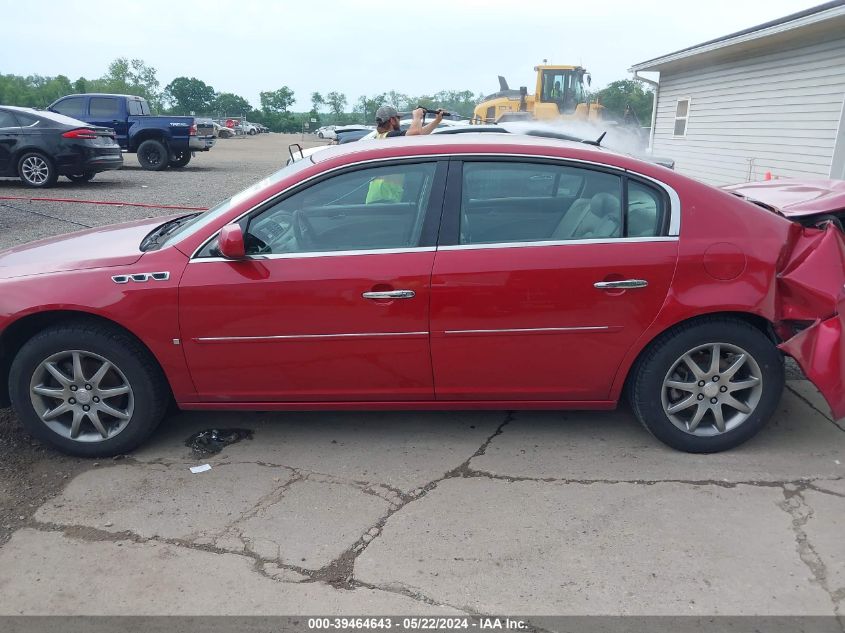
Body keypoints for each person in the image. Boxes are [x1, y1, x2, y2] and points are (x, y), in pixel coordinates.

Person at [373, 105, 444, 138]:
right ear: (392, 120)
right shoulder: (390, 136)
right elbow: (415, 133)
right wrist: (417, 116)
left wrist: (437, 121)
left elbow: (419, 133)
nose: (399, 120)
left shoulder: (380, 136)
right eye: (398, 118)